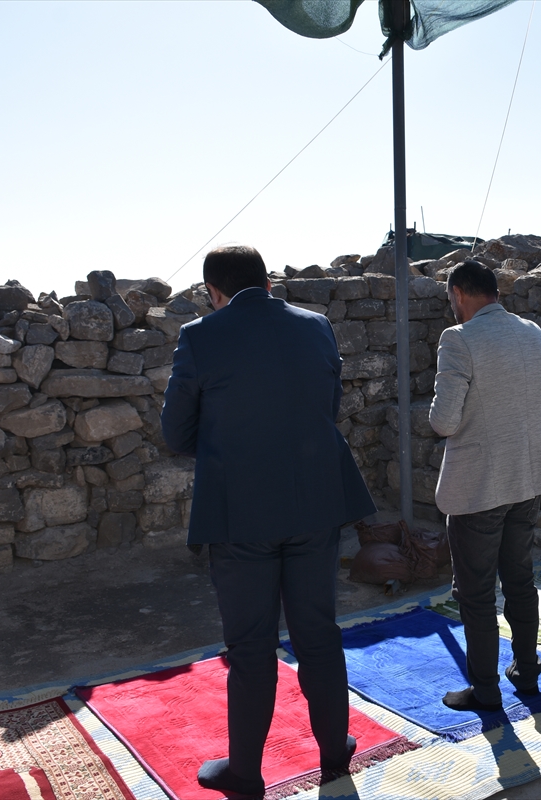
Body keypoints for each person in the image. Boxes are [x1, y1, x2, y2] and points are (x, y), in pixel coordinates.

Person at [162, 245, 375, 797]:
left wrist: (229, 441)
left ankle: (246, 774)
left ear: (214, 292)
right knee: (319, 635)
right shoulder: (317, 326)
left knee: (251, 647)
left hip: (240, 514)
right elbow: (327, 407)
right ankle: (334, 753)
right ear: (268, 283)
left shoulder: (200, 335)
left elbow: (176, 433)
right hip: (314, 503)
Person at [429, 260, 541, 711]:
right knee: (520, 580)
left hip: (479, 487)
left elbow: (444, 422)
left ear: (459, 293)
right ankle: (527, 670)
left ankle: (485, 690)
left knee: (476, 593)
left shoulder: (458, 338)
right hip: (527, 476)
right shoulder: (532, 332)